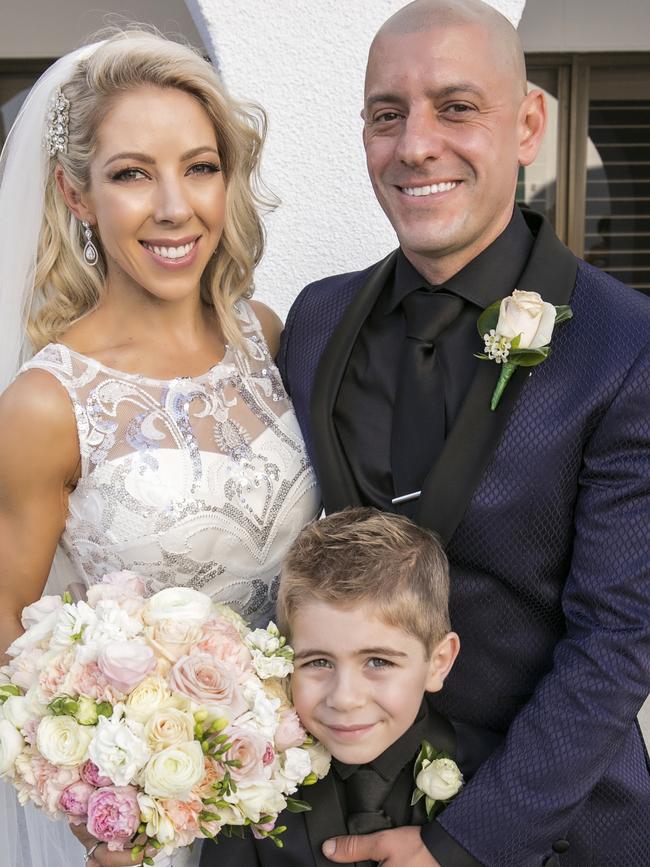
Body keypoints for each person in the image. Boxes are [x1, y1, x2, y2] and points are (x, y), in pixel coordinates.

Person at [277, 1, 650, 866]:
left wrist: (470, 844)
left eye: (456, 107)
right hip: (322, 825)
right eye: (385, 115)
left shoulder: (626, 346)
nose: (414, 145)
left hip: (553, 833)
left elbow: (618, 638)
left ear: (527, 125)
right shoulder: (317, 317)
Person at [0, 29, 320, 867]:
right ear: (76, 194)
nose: (175, 205)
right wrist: (83, 779)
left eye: (200, 166)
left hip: (297, 792)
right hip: (147, 816)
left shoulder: (268, 336)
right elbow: (5, 619)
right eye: (133, 173)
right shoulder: (45, 404)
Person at [200, 507, 462, 867]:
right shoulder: (248, 789)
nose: (344, 698)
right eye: (318, 662)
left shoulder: (492, 781)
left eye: (378, 662)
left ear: (439, 662)